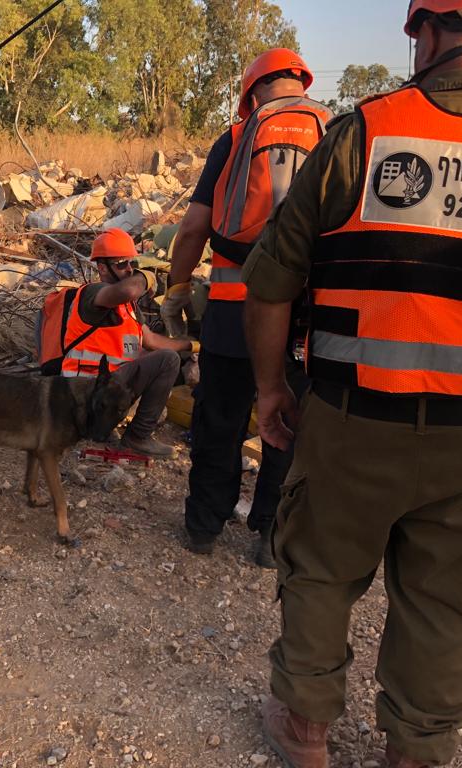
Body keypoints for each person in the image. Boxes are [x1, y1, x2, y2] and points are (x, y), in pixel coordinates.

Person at [240, 2, 462, 765]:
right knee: (445, 597)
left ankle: (305, 728)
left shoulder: (362, 133)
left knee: (322, 568)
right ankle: (416, 751)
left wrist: (269, 391)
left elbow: (270, 283)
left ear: (426, 33)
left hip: (351, 417)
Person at [161, 49, 331, 562]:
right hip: (305, 316)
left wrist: (177, 289)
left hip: (234, 311)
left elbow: (194, 226)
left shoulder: (237, 137)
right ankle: (272, 537)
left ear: (251, 92)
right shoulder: (337, 132)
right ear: (301, 85)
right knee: (290, 425)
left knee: (220, 420)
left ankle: (203, 529)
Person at [62, 228, 197, 457]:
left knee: (164, 357)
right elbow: (131, 289)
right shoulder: (94, 293)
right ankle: (138, 437)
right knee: (168, 360)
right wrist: (147, 276)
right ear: (102, 268)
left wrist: (191, 345)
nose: (129, 269)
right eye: (122, 264)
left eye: (132, 263)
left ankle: (112, 427)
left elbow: (151, 340)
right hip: (83, 393)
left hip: (106, 390)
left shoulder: (126, 307)